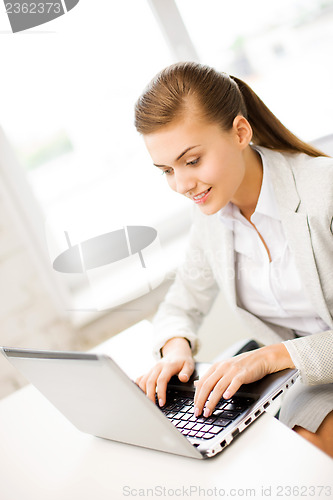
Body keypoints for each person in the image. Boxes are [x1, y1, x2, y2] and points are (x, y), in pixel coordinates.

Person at [134, 62, 333, 457]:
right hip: (309, 379)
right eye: (166, 171)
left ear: (241, 132)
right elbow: (181, 304)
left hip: (303, 368)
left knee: (303, 453)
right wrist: (176, 349)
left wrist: (273, 357)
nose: (182, 185)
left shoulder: (323, 192)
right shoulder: (213, 216)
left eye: (191, 161)